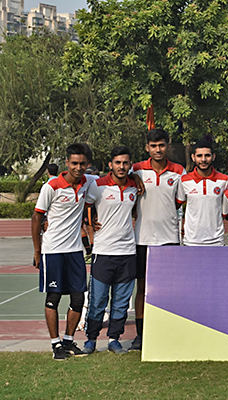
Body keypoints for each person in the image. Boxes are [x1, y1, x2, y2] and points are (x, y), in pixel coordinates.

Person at [31, 143, 91, 360]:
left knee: (78, 298)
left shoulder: (87, 182)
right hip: (53, 251)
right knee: (53, 297)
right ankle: (55, 345)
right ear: (67, 163)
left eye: (82, 164)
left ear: (87, 164)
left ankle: (68, 341)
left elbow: (112, 179)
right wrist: (37, 251)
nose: (78, 167)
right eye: (74, 163)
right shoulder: (52, 186)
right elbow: (37, 217)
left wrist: (135, 179)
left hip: (75, 251)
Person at [130, 128, 185, 350]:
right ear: (147, 148)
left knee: (168, 289)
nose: (158, 150)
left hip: (169, 238)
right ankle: (140, 335)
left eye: (161, 145)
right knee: (142, 288)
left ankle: (166, 332)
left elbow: (180, 202)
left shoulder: (178, 171)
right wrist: (134, 176)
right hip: (142, 238)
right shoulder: (136, 170)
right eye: (153, 146)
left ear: (167, 146)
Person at [82, 146, 138, 355]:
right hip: (103, 252)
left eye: (125, 163)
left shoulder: (134, 186)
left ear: (130, 165)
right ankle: (91, 339)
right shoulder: (98, 186)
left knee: (121, 302)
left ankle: (114, 339)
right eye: (117, 163)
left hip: (127, 252)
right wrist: (90, 223)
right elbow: (85, 206)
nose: (121, 166)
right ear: (110, 164)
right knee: (98, 300)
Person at [178, 139, 228, 246]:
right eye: (199, 156)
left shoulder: (224, 180)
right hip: (191, 241)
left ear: (213, 156)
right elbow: (177, 207)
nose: (203, 159)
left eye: (207, 155)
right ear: (193, 157)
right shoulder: (184, 180)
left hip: (216, 241)